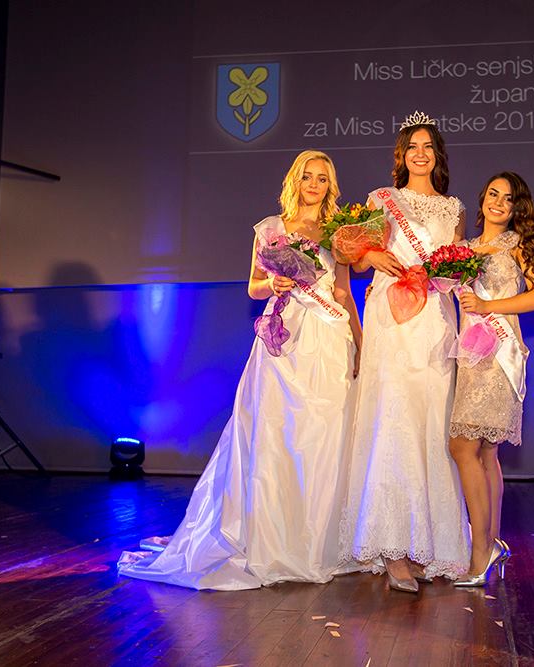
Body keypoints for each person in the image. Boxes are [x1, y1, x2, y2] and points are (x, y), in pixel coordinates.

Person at [118, 150, 361, 589]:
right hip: (283, 338)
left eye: (322, 178)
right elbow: (253, 286)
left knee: (326, 435)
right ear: (295, 180)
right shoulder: (271, 229)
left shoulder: (338, 233)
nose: (314, 184)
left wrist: (361, 344)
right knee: (275, 433)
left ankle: (321, 539)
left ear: (331, 186)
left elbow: (342, 292)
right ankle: (271, 536)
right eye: (307, 176)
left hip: (327, 340)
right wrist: (275, 282)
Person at [339, 112, 470, 592]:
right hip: (391, 316)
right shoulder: (382, 199)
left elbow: (459, 266)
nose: (420, 153)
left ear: (437, 155)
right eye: (412, 146)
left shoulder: (453, 209)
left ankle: (425, 544)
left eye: (428, 146)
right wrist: (369, 255)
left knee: (430, 421)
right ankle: (393, 549)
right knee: (393, 418)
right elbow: (353, 255)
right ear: (401, 155)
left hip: (434, 318)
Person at [448, 171, 534, 586]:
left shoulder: (518, 245)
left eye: (508, 199)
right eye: (493, 194)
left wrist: (489, 305)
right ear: (483, 198)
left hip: (499, 357)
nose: (498, 203)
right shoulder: (464, 250)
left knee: (462, 446)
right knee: (487, 453)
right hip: (470, 356)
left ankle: (479, 553)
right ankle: (490, 542)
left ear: (515, 209)